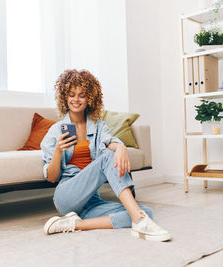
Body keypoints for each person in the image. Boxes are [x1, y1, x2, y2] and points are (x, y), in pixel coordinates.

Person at [41, 69, 171, 242]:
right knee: (109, 156)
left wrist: (121, 147)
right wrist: (58, 151)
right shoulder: (56, 131)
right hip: (67, 196)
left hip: (92, 200)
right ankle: (140, 223)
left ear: (90, 98)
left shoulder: (98, 125)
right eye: (71, 95)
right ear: (65, 97)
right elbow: (51, 177)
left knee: (146, 211)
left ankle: (74, 224)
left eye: (82, 95)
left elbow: (109, 141)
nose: (76, 100)